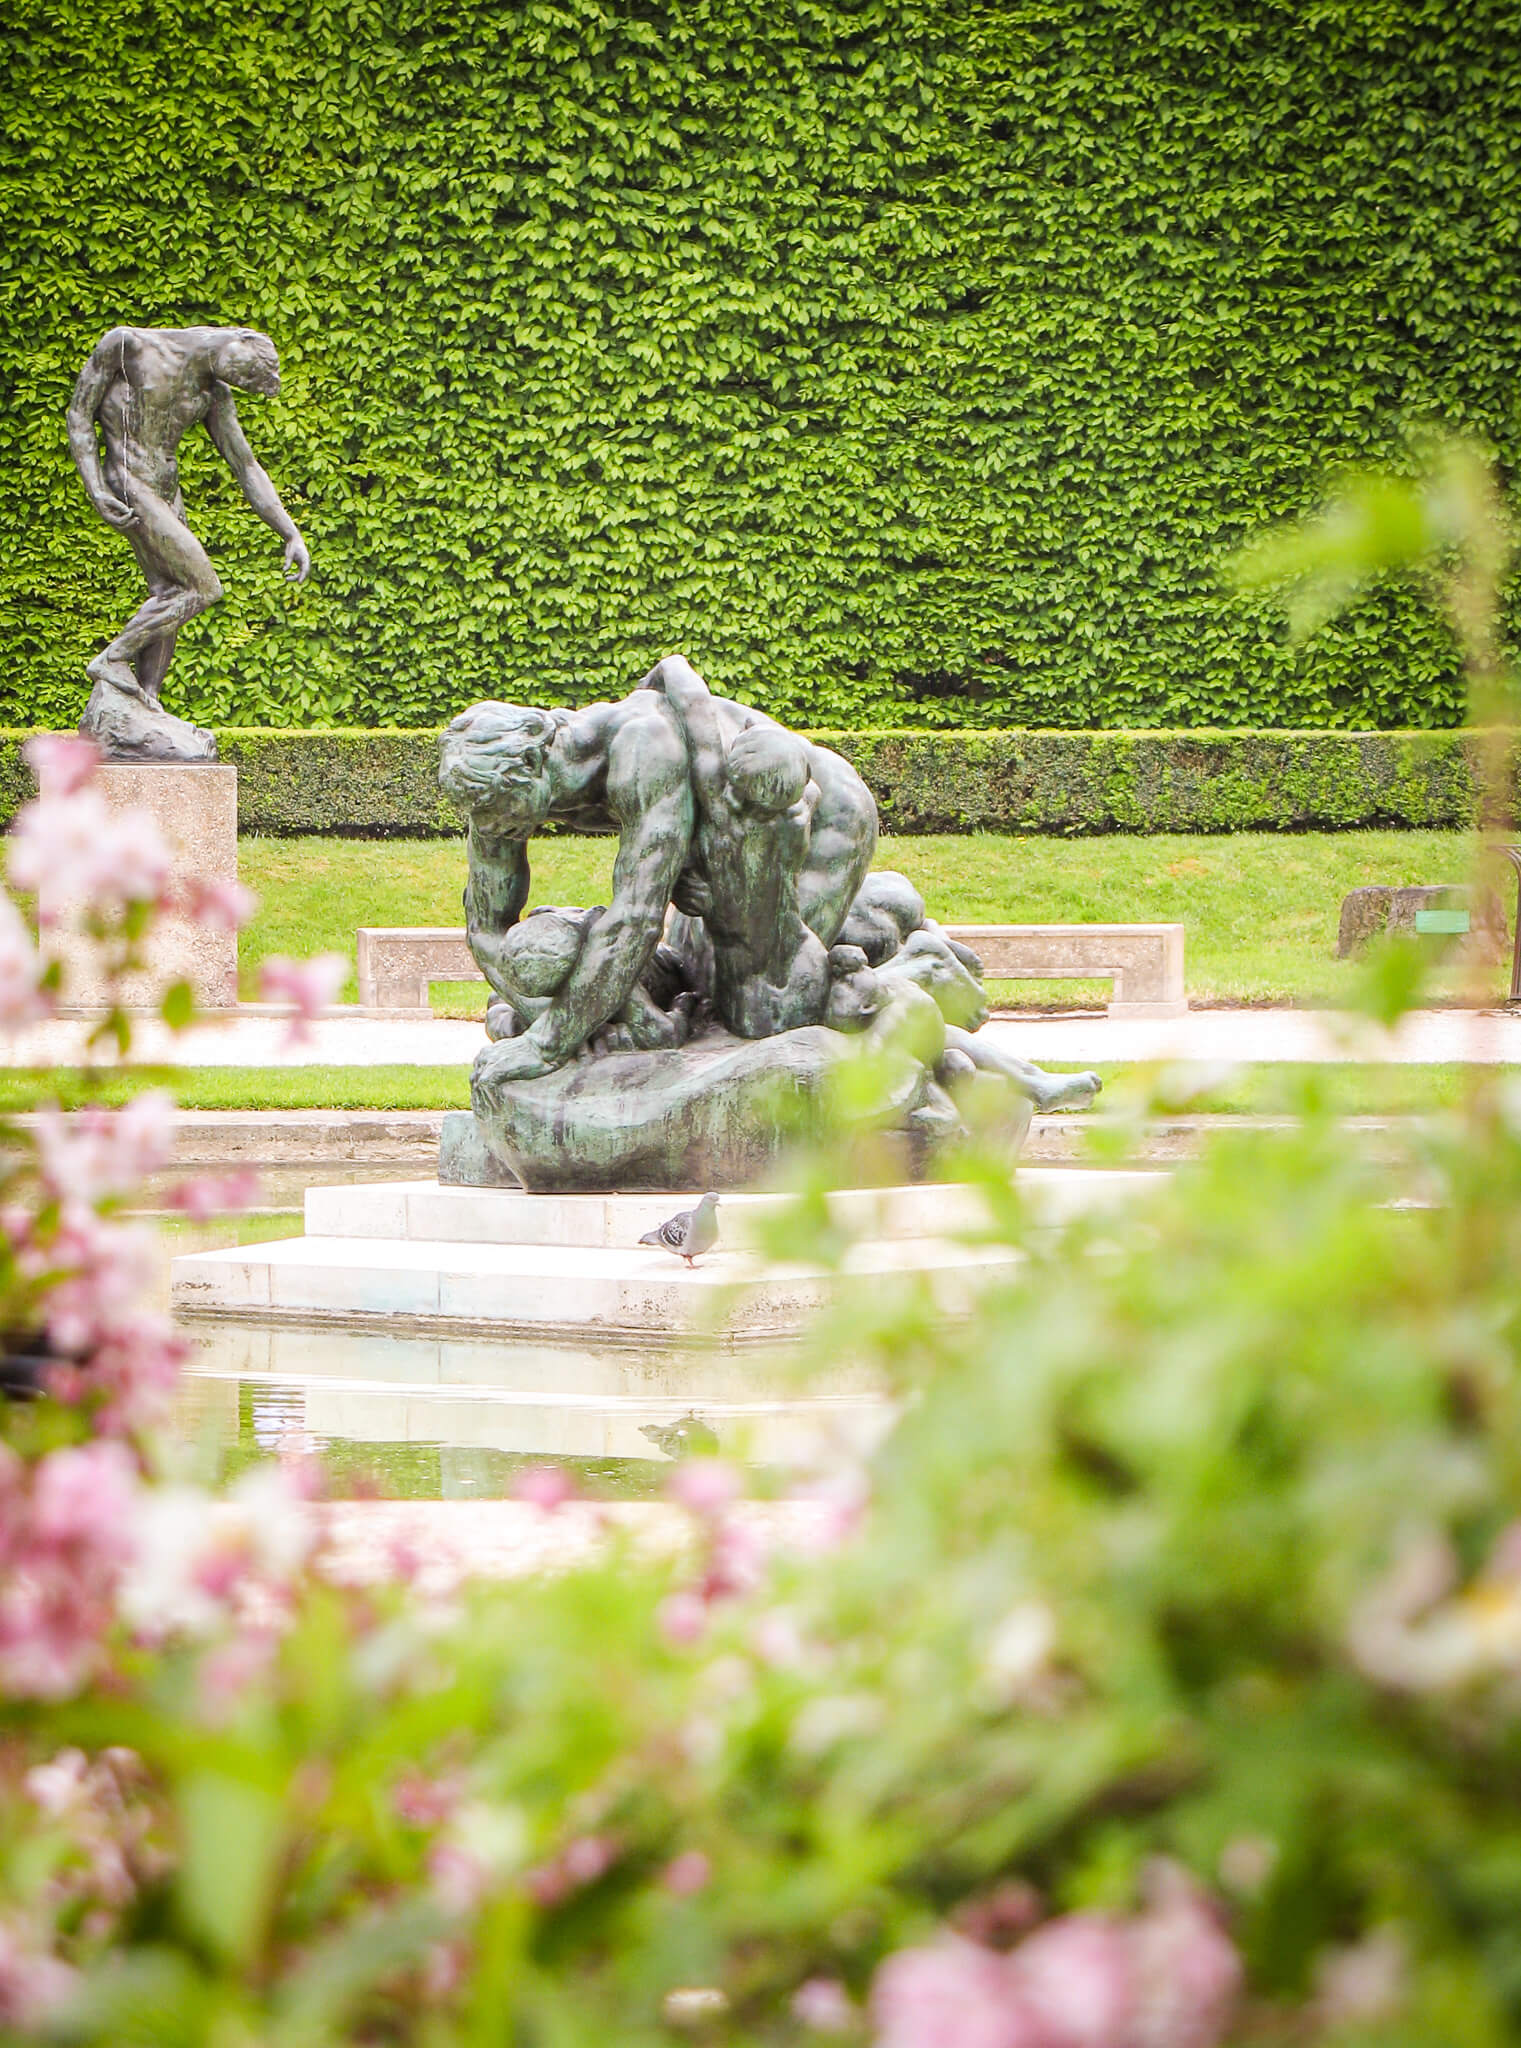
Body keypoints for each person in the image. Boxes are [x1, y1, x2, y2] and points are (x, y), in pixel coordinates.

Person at [67, 326, 310, 749]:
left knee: (169, 592)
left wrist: (289, 531)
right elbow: (79, 414)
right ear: (236, 338)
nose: (238, 380)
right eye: (243, 371)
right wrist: (95, 488)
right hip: (127, 482)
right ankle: (113, 657)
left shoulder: (213, 394)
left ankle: (147, 701)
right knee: (202, 586)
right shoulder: (128, 345)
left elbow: (246, 466)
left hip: (165, 489)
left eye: (246, 381)